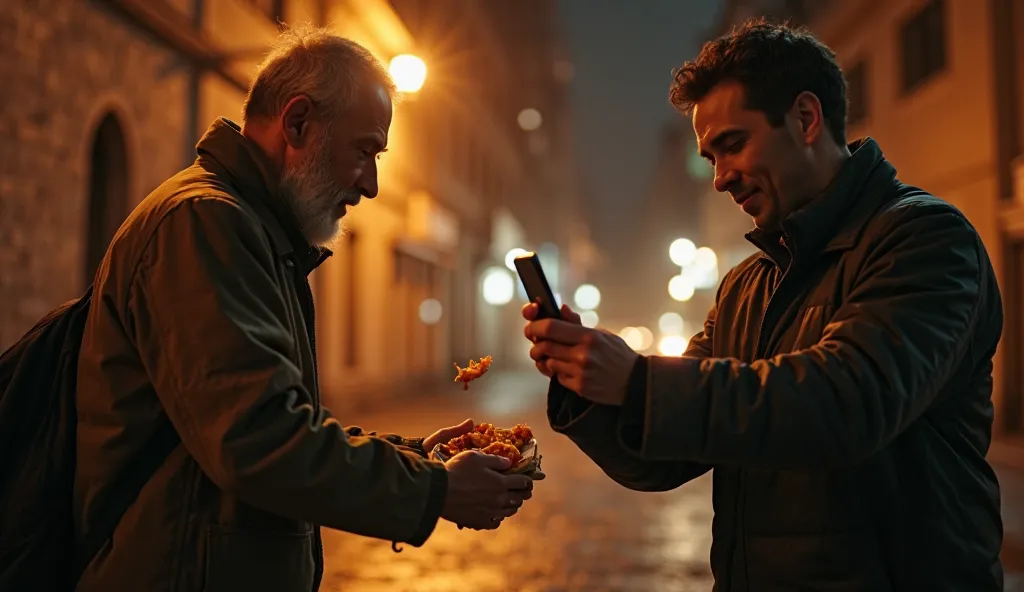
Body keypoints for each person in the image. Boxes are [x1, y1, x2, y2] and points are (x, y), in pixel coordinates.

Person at [523, 19, 1004, 591]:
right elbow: (661, 456)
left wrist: (637, 382)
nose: (721, 178)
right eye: (709, 157)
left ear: (805, 118)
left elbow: (847, 402)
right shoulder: (745, 286)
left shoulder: (925, 238)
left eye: (733, 144)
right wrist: (587, 383)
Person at [74, 25, 534, 592]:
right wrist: (433, 490)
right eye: (365, 150)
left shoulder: (253, 231)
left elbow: (276, 419)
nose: (370, 184)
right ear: (297, 123)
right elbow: (259, 438)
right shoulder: (204, 223)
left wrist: (422, 460)